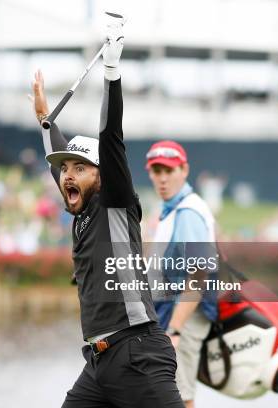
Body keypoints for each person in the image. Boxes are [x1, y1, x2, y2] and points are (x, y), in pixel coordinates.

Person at [31, 20, 184, 408]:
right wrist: (45, 120)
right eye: (64, 169)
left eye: (79, 168)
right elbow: (60, 156)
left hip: (138, 355)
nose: (67, 174)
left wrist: (111, 75)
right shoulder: (78, 202)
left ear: (102, 176)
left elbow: (111, 137)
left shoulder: (115, 200)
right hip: (99, 364)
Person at [145, 141, 218, 408]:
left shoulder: (188, 212)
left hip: (183, 317)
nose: (162, 178)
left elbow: (198, 275)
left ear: (184, 170)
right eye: (157, 171)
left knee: (180, 398)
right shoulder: (172, 210)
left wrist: (174, 329)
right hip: (171, 314)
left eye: (169, 170)